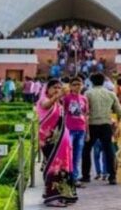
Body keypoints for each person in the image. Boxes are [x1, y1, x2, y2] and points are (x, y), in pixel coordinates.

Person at [37, 79, 78, 207]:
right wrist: (58, 96)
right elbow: (46, 105)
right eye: (54, 87)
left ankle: (63, 195)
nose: (57, 90)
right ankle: (52, 197)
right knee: (53, 167)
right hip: (50, 142)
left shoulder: (58, 103)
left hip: (63, 143)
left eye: (59, 87)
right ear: (47, 89)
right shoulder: (43, 100)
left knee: (63, 167)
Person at [81, 73, 121, 185]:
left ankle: (85, 176)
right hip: (106, 124)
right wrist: (118, 124)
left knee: (86, 150)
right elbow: (119, 111)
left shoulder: (87, 93)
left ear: (92, 82)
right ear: (103, 81)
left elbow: (84, 110)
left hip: (92, 125)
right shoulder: (111, 94)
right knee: (109, 150)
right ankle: (112, 176)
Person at [63, 77, 89, 185]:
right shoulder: (67, 98)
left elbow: (86, 115)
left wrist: (88, 132)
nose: (77, 86)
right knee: (68, 153)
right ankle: (67, 176)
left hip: (81, 129)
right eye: (74, 84)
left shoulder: (84, 99)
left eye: (79, 84)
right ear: (70, 86)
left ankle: (75, 177)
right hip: (70, 129)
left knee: (77, 155)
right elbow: (63, 113)